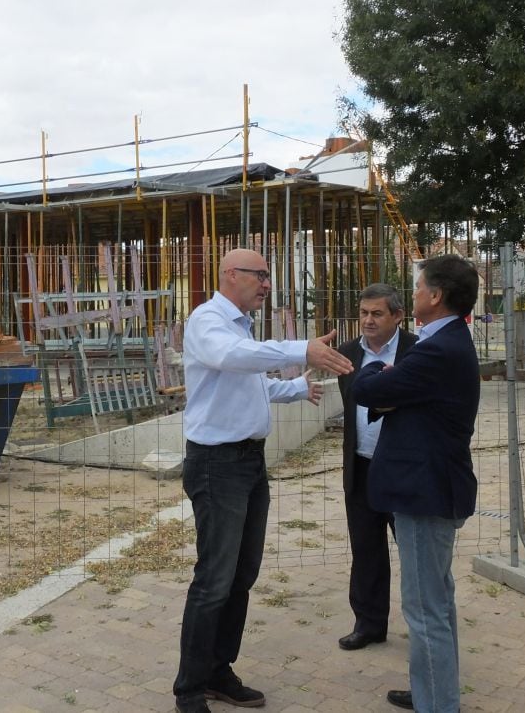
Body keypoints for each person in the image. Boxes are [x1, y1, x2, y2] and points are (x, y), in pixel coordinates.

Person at [173, 248, 354, 713]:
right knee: (214, 579)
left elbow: (246, 381)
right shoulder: (207, 321)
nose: (267, 284)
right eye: (261, 275)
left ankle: (218, 672)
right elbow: (232, 359)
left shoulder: (240, 327)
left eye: (268, 277)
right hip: (217, 465)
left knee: (241, 575)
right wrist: (301, 348)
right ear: (231, 275)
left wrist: (295, 387)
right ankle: (189, 690)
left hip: (249, 464)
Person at [352, 255, 480, 713]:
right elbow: (397, 392)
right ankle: (432, 689)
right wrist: (392, 380)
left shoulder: (435, 349)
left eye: (419, 285)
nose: (416, 291)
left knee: (426, 610)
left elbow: (368, 390)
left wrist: (376, 373)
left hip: (425, 492)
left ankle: (437, 704)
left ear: (436, 295)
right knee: (436, 602)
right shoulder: (444, 342)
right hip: (431, 486)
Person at [335, 283, 417, 651]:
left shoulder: (418, 352)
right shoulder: (347, 355)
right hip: (362, 467)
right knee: (366, 549)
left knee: (415, 552)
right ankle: (369, 623)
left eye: (377, 314)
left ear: (398, 316)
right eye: (364, 313)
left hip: (404, 470)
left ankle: (423, 628)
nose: (368, 321)